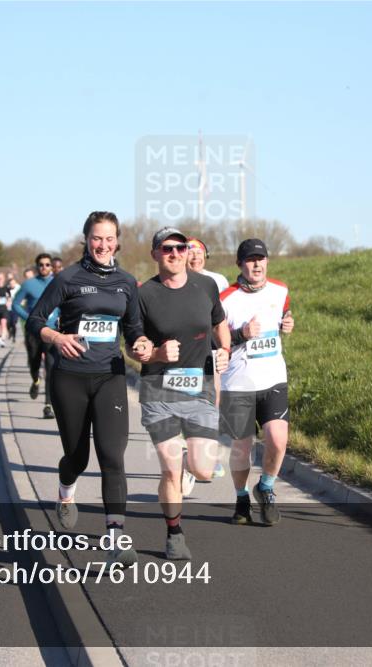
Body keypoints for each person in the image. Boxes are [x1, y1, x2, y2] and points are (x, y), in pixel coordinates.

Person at [27, 211, 153, 567]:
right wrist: (56, 336)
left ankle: (115, 539)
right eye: (97, 238)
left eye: (109, 238)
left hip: (110, 376)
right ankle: (66, 491)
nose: (103, 244)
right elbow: (36, 319)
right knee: (78, 458)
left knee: (112, 456)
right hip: (70, 377)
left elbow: (133, 329)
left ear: (118, 241)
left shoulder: (127, 283)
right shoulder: (67, 278)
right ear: (86, 239)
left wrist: (141, 343)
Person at [138, 228, 230, 559]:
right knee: (169, 468)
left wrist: (225, 350)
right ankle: (174, 533)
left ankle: (190, 459)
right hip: (158, 392)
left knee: (204, 470)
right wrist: (157, 354)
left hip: (200, 390)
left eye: (181, 247)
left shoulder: (205, 286)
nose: (176, 253)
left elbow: (220, 323)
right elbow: (137, 346)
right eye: (168, 249)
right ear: (155, 254)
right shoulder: (144, 293)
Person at [220, 239, 295, 526]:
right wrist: (240, 334)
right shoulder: (226, 298)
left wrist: (288, 323)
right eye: (250, 260)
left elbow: (284, 314)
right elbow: (217, 340)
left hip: (273, 378)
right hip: (237, 383)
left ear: (267, 262)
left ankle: (265, 487)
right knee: (242, 448)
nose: (256, 264)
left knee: (278, 439)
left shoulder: (281, 290)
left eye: (261, 259)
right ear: (240, 264)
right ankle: (241, 497)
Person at [186, 237, 230, 479]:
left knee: (212, 402)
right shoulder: (177, 280)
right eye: (191, 253)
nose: (195, 257)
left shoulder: (218, 280)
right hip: (185, 350)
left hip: (211, 347)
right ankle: (192, 451)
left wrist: (227, 345)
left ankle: (208, 457)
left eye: (199, 252)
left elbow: (224, 316)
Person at [13, 254, 56, 418]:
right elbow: (15, 305)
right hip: (34, 331)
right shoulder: (29, 284)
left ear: (51, 267)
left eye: (47, 264)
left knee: (51, 368)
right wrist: (29, 319)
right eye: (41, 265)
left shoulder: (58, 282)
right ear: (37, 267)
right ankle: (35, 380)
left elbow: (67, 304)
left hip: (52, 331)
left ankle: (48, 405)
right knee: (34, 363)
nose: (44, 267)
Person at [7, 275, 21, 343]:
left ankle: (14, 337)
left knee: (14, 323)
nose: (12, 285)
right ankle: (9, 331)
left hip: (15, 309)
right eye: (11, 283)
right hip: (8, 308)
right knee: (8, 323)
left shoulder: (18, 288)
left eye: (13, 283)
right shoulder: (7, 289)